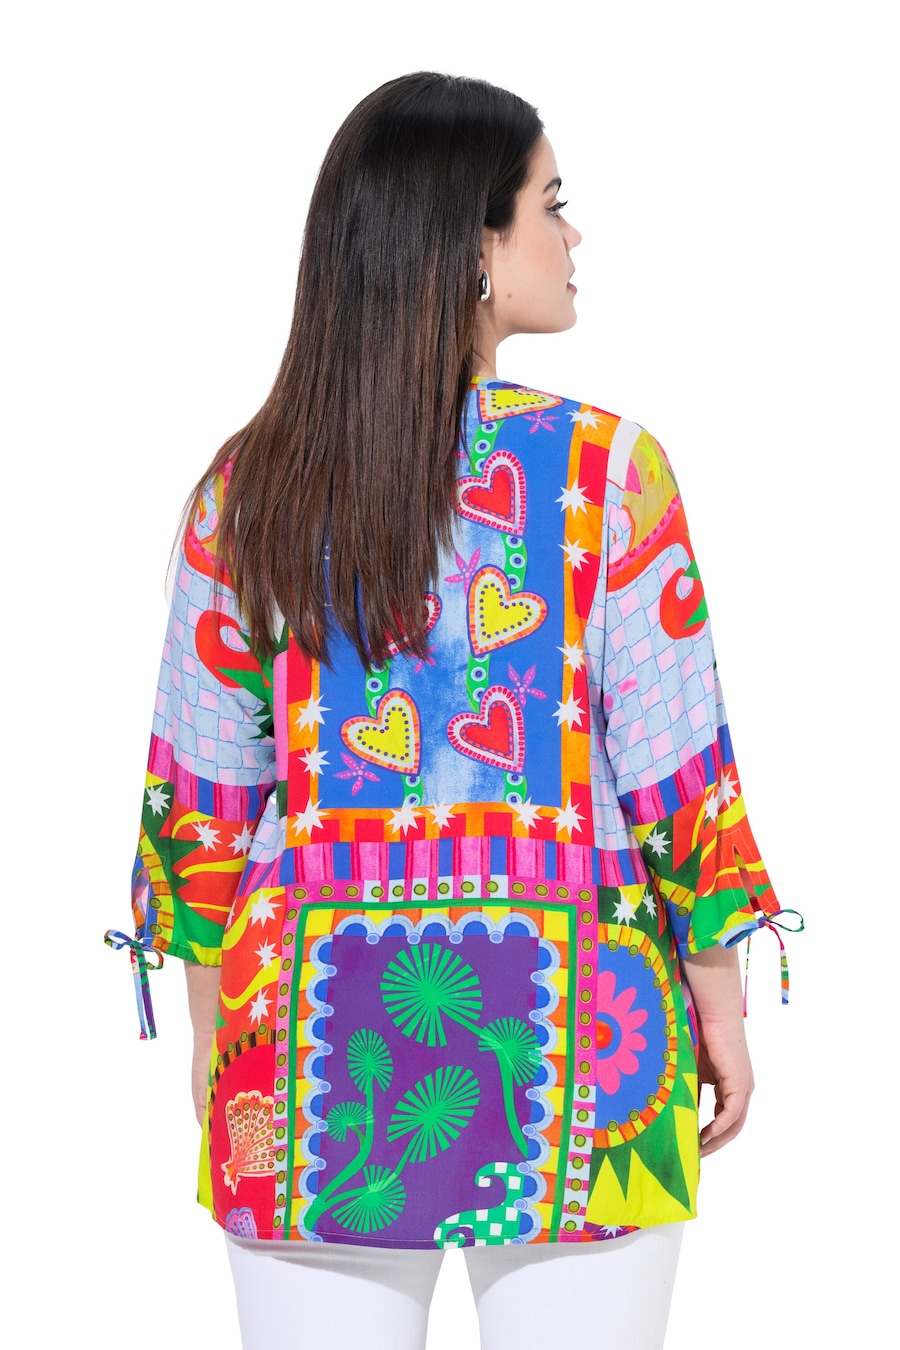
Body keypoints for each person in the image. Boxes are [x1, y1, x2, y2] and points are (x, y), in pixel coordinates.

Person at [110, 72, 796, 1350]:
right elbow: (677, 779)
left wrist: (214, 1038)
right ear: (470, 246)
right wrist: (721, 1009)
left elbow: (203, 797)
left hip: (306, 1055)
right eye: (551, 203)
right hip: (585, 1049)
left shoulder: (247, 491)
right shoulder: (609, 472)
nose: (573, 236)